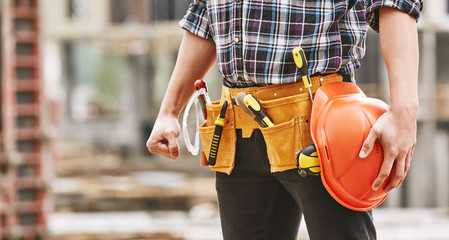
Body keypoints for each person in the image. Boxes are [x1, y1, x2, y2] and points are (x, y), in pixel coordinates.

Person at [147, 0, 422, 239]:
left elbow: (395, 2)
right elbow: (205, 15)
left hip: (323, 131)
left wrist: (404, 111)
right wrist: (169, 111)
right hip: (239, 134)